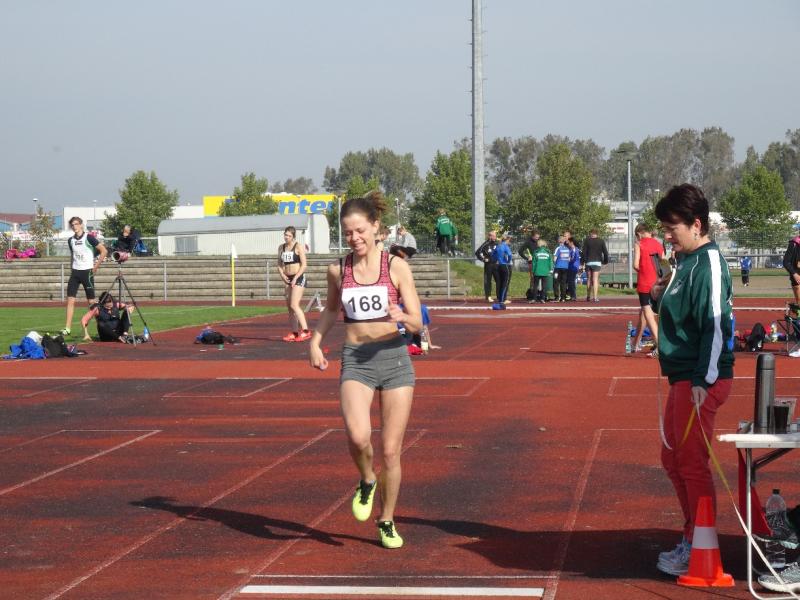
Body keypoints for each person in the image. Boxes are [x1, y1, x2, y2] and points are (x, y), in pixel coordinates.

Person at [309, 191, 422, 549]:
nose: (354, 238)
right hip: (356, 359)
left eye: (360, 230)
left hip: (394, 360)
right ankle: (367, 479)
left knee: (391, 451)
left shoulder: (396, 267)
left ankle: (386, 520)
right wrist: (315, 341)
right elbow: (331, 310)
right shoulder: (337, 270)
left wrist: (402, 316)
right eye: (348, 233)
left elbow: (418, 322)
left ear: (375, 227)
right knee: (359, 437)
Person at [649, 184, 734, 577]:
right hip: (684, 375)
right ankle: (692, 535)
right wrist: (658, 294)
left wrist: (704, 378)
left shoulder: (709, 263)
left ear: (696, 224)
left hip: (699, 377)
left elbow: (715, 325)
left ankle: (700, 543)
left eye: (672, 227)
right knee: (673, 459)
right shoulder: (685, 261)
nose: (667, 235)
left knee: (691, 462)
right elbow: (681, 309)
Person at [62, 216, 108, 337]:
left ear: (81, 225)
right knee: (70, 300)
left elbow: (104, 251)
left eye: (76, 224)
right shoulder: (70, 240)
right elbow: (72, 256)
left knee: (92, 303)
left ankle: (101, 328)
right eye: (72, 225)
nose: (74, 227)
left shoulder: (89, 238)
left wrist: (96, 266)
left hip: (87, 272)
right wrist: (71, 268)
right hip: (75, 273)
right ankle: (67, 328)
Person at [632, 224, 664, 355]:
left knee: (647, 311)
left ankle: (659, 344)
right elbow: (663, 263)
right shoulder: (658, 244)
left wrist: (644, 270)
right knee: (646, 313)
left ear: (639, 233)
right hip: (658, 281)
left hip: (645, 281)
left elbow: (635, 264)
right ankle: (635, 343)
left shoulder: (639, 244)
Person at [277, 226, 311, 342]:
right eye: (285, 235)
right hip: (288, 279)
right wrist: (282, 275)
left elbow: (304, 265)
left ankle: (306, 331)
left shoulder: (298, 247)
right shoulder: (281, 248)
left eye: (289, 235)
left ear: (293, 237)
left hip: (299, 277)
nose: (286, 237)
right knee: (290, 308)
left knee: (294, 305)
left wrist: (296, 278)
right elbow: (279, 265)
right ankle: (295, 333)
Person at [582, 229, 609, 302]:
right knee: (595, 279)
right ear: (597, 234)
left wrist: (583, 262)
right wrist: (605, 261)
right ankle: (595, 297)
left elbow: (584, 252)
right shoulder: (601, 241)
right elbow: (605, 252)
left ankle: (588, 296)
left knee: (589, 279)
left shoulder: (587, 241)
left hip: (588, 262)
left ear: (590, 233)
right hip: (597, 262)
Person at [475, 231, 499, 302]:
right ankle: (488, 296)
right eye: (493, 236)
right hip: (488, 265)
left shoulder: (497, 243)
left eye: (495, 236)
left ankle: (499, 296)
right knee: (488, 281)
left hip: (496, 265)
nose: (495, 237)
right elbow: (477, 252)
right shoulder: (486, 244)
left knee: (498, 280)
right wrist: (483, 259)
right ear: (490, 236)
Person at [492, 234, 513, 304]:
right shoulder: (505, 246)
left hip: (498, 265)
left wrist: (496, 260)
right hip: (505, 265)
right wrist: (508, 261)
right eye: (509, 240)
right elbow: (510, 255)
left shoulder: (498, 246)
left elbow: (493, 255)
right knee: (505, 283)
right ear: (507, 240)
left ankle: (500, 298)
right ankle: (503, 299)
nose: (510, 242)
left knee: (501, 282)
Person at [782, 235, 800, 304]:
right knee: (799, 303)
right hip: (797, 278)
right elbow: (786, 262)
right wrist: (794, 274)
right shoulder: (794, 244)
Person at [552, 237, 571, 301]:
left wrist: (554, 264)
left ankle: (557, 297)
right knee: (563, 283)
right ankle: (563, 298)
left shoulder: (558, 248)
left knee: (556, 282)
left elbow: (554, 259)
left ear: (559, 241)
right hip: (565, 268)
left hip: (558, 268)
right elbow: (569, 259)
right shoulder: (567, 249)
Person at [566, 237, 581, 302]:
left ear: (571, 242)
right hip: (570, 267)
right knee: (569, 281)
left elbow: (573, 258)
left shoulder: (575, 249)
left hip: (573, 267)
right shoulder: (571, 249)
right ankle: (570, 295)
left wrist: (568, 260)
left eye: (568, 242)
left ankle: (573, 296)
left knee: (571, 281)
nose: (568, 244)